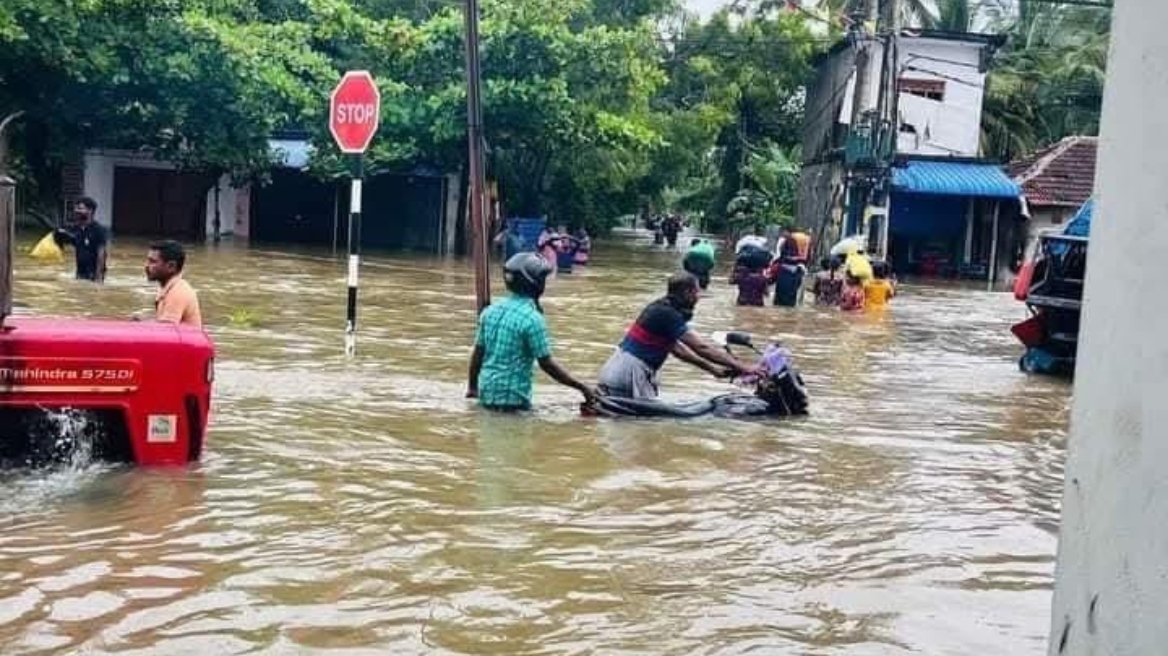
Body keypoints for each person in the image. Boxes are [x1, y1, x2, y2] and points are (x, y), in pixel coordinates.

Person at [597, 272, 759, 399]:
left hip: (620, 370)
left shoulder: (661, 308)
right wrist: (743, 367)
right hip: (630, 373)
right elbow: (701, 347)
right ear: (687, 292)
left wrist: (712, 369)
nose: (698, 297)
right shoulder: (668, 314)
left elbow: (677, 349)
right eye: (696, 292)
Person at [467, 253, 595, 411]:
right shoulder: (532, 319)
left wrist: (472, 387)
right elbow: (546, 364)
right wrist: (582, 387)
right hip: (513, 401)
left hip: (486, 394)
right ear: (536, 283)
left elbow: (478, 353)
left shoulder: (490, 311)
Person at [145, 240, 202, 327]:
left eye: (152, 262)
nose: (146, 266)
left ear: (171, 266)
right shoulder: (170, 287)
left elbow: (166, 331)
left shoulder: (177, 292)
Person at [54, 197, 108, 282]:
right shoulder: (76, 228)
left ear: (90, 211)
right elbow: (72, 242)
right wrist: (60, 235)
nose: (76, 211)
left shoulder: (98, 230)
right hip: (80, 274)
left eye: (80, 208)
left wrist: (98, 278)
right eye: (76, 208)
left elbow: (101, 255)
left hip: (93, 275)